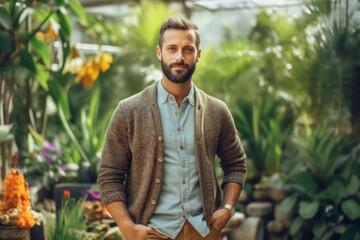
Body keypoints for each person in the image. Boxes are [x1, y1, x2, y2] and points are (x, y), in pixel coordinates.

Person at [98, 16, 246, 240]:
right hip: (151, 232)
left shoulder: (217, 111)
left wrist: (227, 207)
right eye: (172, 49)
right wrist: (127, 227)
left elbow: (235, 164)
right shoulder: (129, 111)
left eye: (188, 49)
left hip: (204, 231)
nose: (180, 57)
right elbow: (110, 175)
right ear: (159, 53)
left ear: (198, 54)